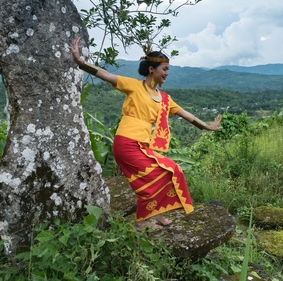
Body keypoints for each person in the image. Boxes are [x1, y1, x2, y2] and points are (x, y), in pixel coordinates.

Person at [69, 36, 222, 230]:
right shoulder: (134, 86)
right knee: (152, 178)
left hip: (142, 145)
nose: (167, 73)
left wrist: (207, 127)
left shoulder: (164, 98)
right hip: (125, 143)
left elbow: (186, 115)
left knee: (172, 170)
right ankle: (141, 222)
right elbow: (104, 74)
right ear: (152, 69)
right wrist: (80, 63)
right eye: (164, 69)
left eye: (168, 70)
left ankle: (155, 215)